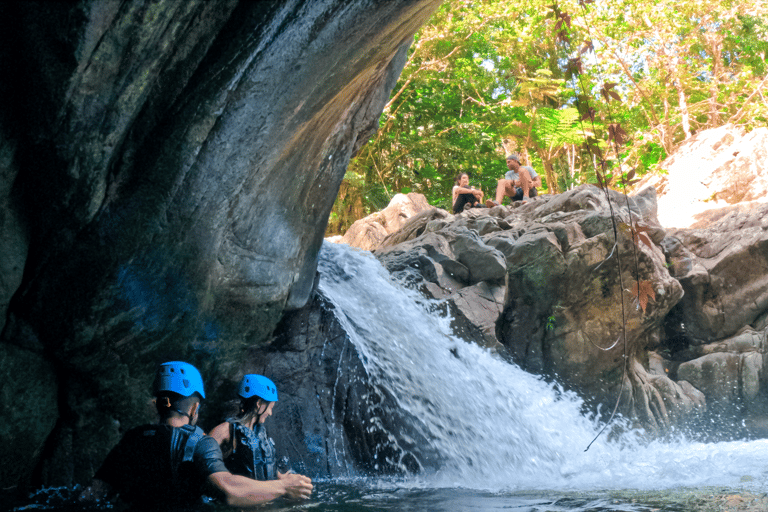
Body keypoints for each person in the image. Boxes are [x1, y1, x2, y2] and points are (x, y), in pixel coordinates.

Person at [79, 361, 312, 509]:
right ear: (194, 409)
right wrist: (284, 488)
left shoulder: (132, 439)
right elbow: (229, 491)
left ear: (158, 402)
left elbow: (91, 495)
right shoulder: (201, 442)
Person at [210, 374, 307, 485]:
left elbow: (267, 467)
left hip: (265, 497)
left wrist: (290, 479)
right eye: (270, 408)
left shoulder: (260, 433)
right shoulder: (224, 431)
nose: (270, 413)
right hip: (240, 498)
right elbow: (208, 471)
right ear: (259, 404)